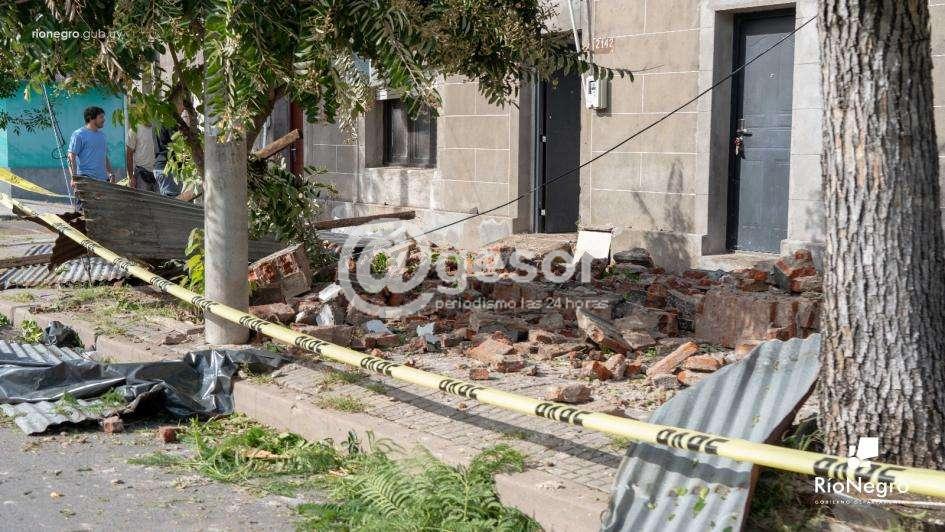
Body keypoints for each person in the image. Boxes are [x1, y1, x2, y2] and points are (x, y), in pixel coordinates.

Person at [67, 106, 115, 187]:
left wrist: (111, 173)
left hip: (103, 181)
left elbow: (104, 156)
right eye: (101, 117)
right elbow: (71, 156)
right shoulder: (78, 134)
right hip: (86, 180)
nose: (104, 120)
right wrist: (74, 178)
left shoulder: (102, 136)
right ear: (91, 118)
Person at [125, 121, 158, 192]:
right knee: (142, 198)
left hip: (157, 172)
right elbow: (129, 154)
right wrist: (131, 177)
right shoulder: (134, 129)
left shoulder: (157, 127)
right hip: (141, 173)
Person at [152, 125, 181, 197]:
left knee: (167, 200)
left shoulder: (156, 123)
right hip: (168, 169)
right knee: (172, 201)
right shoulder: (170, 123)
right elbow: (177, 143)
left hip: (160, 167)